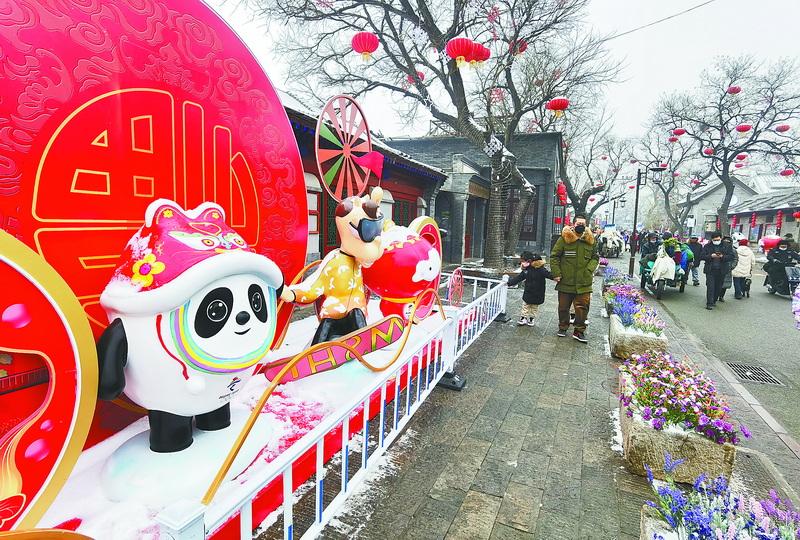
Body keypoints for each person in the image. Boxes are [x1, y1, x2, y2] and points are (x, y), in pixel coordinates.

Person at [551, 214, 599, 343]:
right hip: (566, 280)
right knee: (563, 307)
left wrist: (589, 269)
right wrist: (556, 273)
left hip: (584, 282)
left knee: (582, 308)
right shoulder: (564, 239)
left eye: (583, 224)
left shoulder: (591, 240)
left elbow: (595, 257)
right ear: (573, 224)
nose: (580, 226)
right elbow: (554, 256)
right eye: (578, 224)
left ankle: (579, 331)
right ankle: (563, 327)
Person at [507, 252, 554, 326]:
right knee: (525, 305)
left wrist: (557, 276)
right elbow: (519, 278)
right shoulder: (527, 270)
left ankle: (531, 319)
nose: (522, 263)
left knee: (534, 307)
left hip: (538, 292)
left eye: (523, 261)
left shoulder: (541, 270)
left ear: (529, 261)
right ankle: (523, 318)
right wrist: (509, 283)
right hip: (528, 292)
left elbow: (549, 275)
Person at [700, 231, 734, 310]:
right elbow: (702, 256)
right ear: (712, 239)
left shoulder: (727, 246)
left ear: (721, 238)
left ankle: (714, 300)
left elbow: (731, 256)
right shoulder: (707, 246)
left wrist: (722, 256)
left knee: (718, 287)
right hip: (710, 270)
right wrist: (711, 256)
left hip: (722, 270)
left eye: (718, 239)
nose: (716, 241)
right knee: (710, 287)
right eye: (714, 240)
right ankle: (709, 303)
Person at [718, 236, 737, 302]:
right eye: (725, 241)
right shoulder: (719, 248)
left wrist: (732, 266)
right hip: (718, 268)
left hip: (728, 269)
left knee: (725, 284)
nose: (726, 243)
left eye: (728, 242)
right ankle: (715, 295)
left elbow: (735, 259)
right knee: (717, 283)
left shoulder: (733, 250)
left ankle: (721, 296)